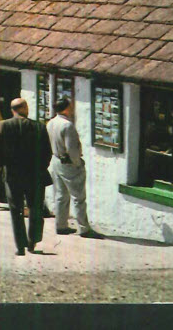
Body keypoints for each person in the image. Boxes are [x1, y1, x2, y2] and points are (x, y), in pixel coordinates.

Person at [0, 98, 53, 256]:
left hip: (13, 174)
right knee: (36, 208)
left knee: (16, 209)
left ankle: (20, 246)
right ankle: (32, 241)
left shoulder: (3, 126)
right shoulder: (39, 127)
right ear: (25, 108)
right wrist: (41, 167)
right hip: (35, 174)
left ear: (12, 110)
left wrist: (3, 166)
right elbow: (47, 152)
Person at [46, 97, 102, 239]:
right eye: (69, 107)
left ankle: (61, 225)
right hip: (68, 163)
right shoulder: (67, 125)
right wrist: (78, 163)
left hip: (56, 160)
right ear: (65, 108)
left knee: (61, 195)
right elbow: (72, 149)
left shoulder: (51, 123)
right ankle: (84, 228)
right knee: (78, 197)